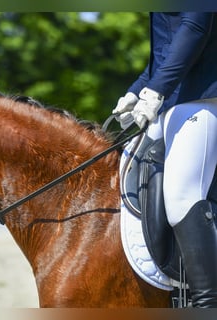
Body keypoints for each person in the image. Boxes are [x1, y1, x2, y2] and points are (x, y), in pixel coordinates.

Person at [112, 12, 217, 308]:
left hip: (205, 96)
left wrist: (157, 89)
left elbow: (196, 27)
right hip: (174, 99)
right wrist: (137, 90)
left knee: (182, 196)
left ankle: (208, 303)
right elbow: (168, 49)